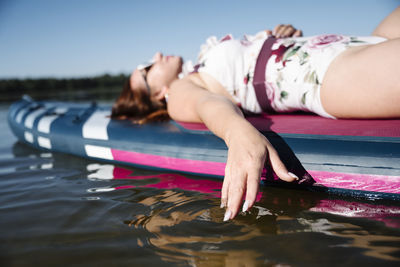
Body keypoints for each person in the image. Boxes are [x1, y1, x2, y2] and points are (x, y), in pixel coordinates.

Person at [112, 7, 400, 221]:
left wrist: (282, 35)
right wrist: (237, 133)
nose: (157, 56)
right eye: (146, 68)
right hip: (325, 75)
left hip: (350, 43)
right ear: (159, 93)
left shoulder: (202, 62)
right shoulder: (180, 91)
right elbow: (206, 105)